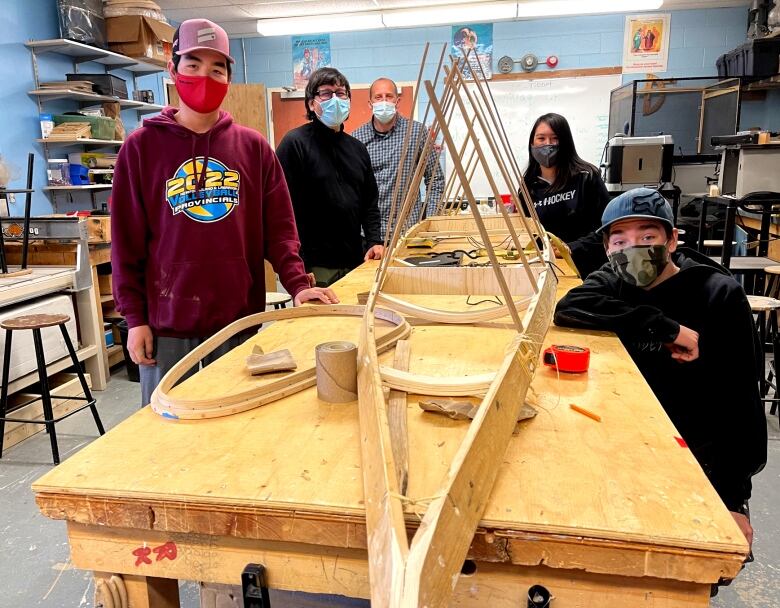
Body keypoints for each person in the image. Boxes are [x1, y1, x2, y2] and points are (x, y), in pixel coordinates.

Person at [111, 19, 337, 406]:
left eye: (217, 68)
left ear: (229, 77)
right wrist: (135, 319)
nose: (204, 76)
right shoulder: (140, 149)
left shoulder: (253, 148)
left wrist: (298, 285)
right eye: (193, 65)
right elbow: (126, 245)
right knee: (167, 438)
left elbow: (280, 231)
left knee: (239, 431)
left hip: (240, 322)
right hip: (167, 328)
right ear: (173, 69)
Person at [554, 188, 767, 558]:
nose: (632, 249)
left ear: (672, 240)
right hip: (634, 442)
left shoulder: (718, 294)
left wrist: (733, 500)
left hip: (697, 454)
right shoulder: (616, 279)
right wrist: (664, 328)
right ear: (607, 248)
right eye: (620, 240)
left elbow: (740, 405)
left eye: (647, 237)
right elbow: (571, 305)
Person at [276, 67, 384, 287]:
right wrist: (296, 266)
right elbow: (281, 210)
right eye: (326, 93)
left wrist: (374, 241)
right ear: (311, 103)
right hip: (314, 265)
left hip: (356, 260)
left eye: (341, 93)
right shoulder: (294, 144)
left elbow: (369, 203)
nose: (335, 99)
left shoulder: (357, 148)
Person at [353, 77, 444, 240]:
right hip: (369, 236)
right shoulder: (357, 138)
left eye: (389, 96)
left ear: (398, 101)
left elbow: (435, 179)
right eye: (378, 97)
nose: (384, 101)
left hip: (407, 232)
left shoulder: (416, 132)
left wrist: (431, 221)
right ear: (370, 103)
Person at [523, 113, 610, 276]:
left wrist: (571, 247)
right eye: (541, 138)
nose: (547, 144)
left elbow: (607, 228)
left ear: (565, 142)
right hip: (548, 269)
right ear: (532, 143)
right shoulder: (527, 187)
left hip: (587, 268)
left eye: (554, 138)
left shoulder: (586, 176)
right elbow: (529, 231)